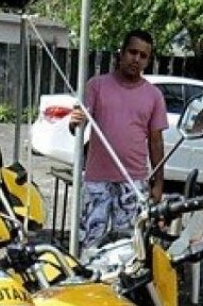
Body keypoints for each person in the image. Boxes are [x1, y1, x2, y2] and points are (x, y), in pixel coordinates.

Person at [68, 29, 168, 249]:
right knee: (91, 244)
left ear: (148, 60)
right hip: (97, 181)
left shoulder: (154, 96)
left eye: (143, 56)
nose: (136, 59)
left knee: (128, 247)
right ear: (121, 53)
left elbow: (156, 141)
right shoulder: (96, 85)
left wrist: (158, 183)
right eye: (133, 52)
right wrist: (75, 121)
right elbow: (78, 125)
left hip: (133, 182)